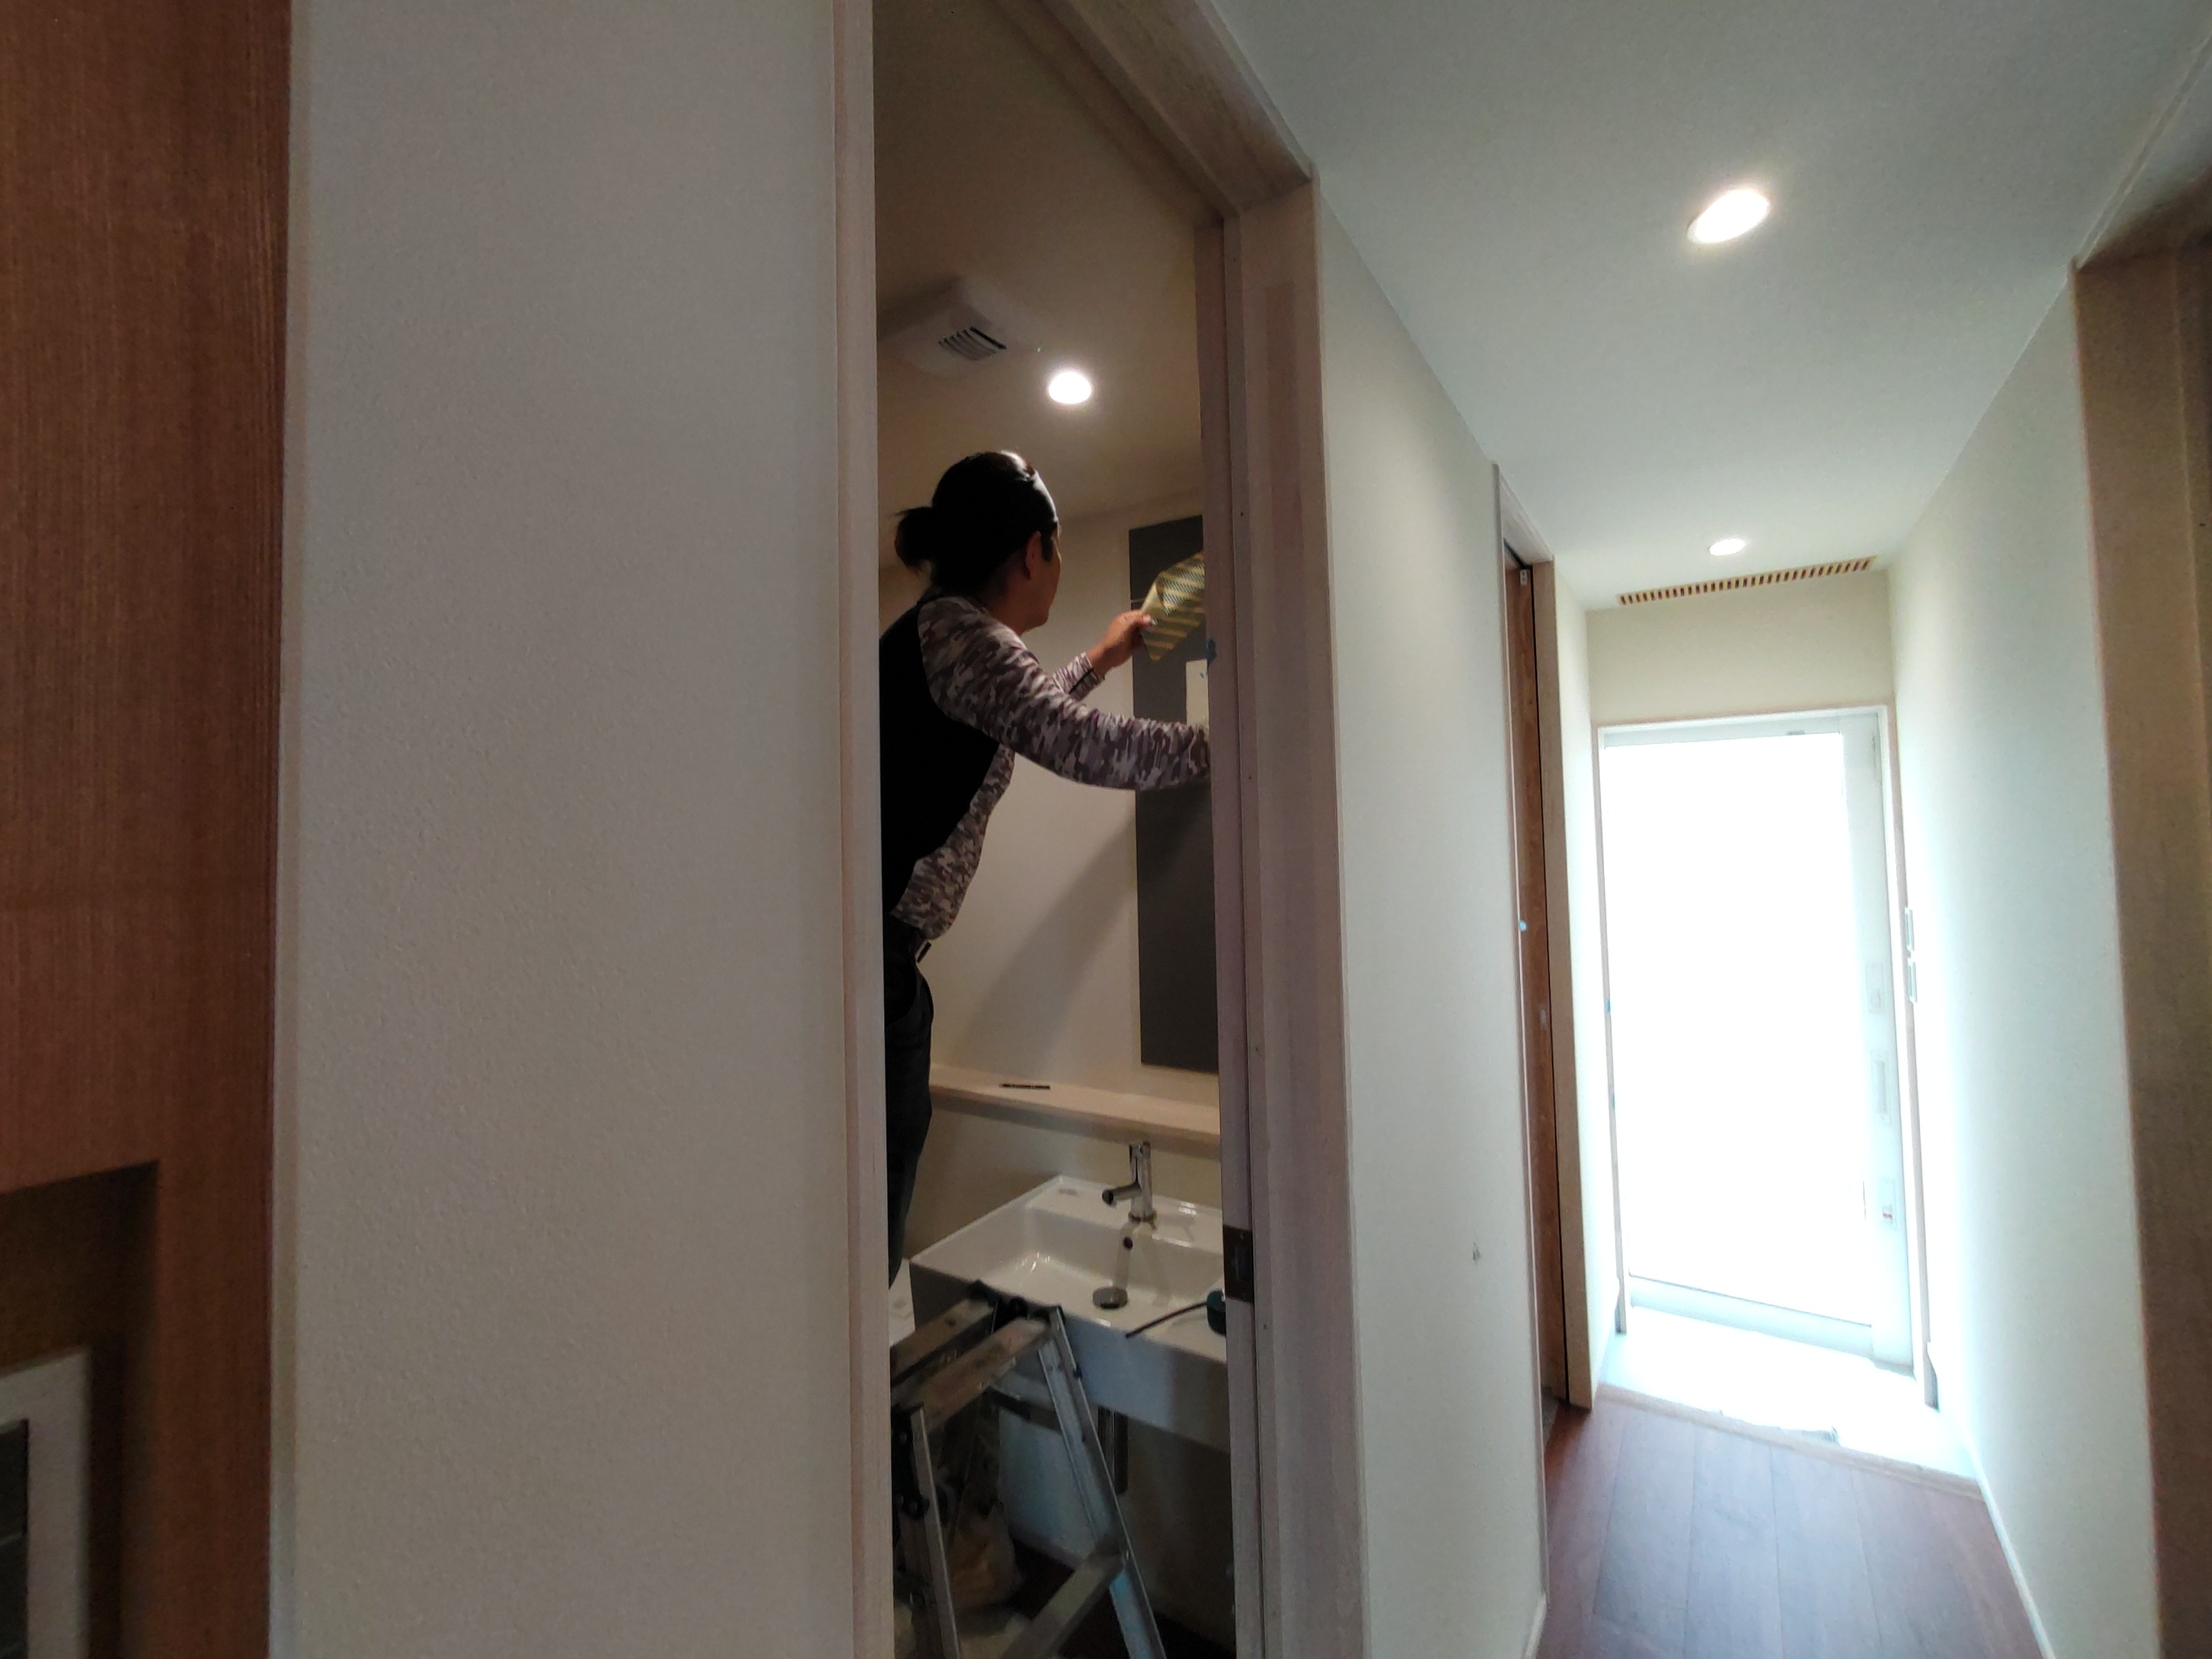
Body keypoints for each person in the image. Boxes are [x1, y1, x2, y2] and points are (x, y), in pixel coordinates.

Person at [880, 451, 1209, 1278]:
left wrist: (1098, 660)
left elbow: (1024, 718)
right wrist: (1227, 742)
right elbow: (1079, 743)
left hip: (882, 961)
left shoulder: (946, 634)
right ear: (1033, 552)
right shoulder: (967, 638)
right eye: (1057, 549)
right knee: (875, 1195)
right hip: (876, 965)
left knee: (881, 1174)